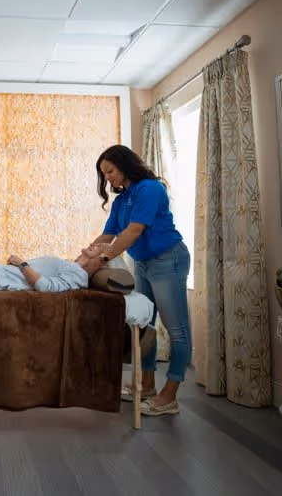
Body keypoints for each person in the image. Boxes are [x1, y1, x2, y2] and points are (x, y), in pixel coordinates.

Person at [86, 145, 191, 417]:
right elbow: (109, 234)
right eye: (103, 174)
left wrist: (102, 259)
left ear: (123, 165)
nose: (107, 177)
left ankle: (169, 396)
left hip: (168, 260)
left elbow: (134, 231)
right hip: (143, 264)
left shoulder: (150, 189)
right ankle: (146, 387)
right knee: (143, 323)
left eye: (109, 171)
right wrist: (84, 255)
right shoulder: (122, 201)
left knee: (176, 330)